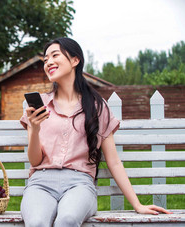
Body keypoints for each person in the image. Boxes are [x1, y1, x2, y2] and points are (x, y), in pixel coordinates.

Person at [19, 37, 171, 227]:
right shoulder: (40, 105)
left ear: (75, 60)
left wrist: (137, 204)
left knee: (67, 220)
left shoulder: (97, 107)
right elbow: (34, 161)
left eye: (55, 55)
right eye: (45, 59)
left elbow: (114, 162)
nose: (48, 62)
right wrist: (34, 129)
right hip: (41, 182)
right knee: (37, 222)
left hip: (79, 184)